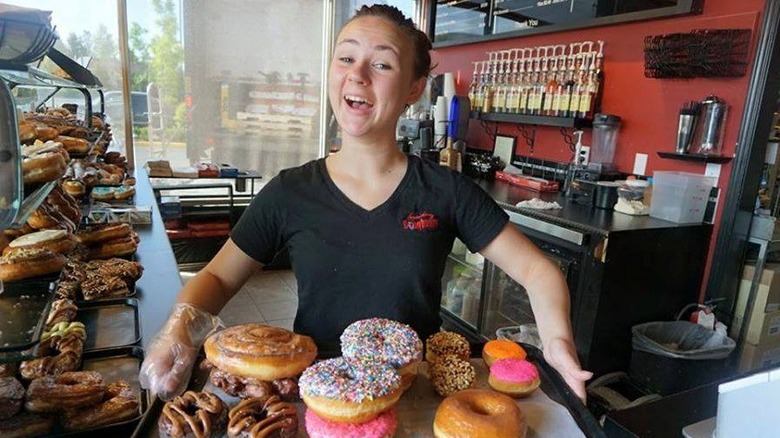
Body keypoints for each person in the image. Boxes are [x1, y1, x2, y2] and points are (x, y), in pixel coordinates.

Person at [139, 4, 592, 403]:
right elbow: (217, 276)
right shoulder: (290, 191)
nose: (357, 74)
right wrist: (179, 328)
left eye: (382, 64)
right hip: (316, 397)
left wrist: (556, 344)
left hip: (414, 395)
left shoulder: (444, 191)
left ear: (415, 88)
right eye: (347, 57)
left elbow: (538, 271)